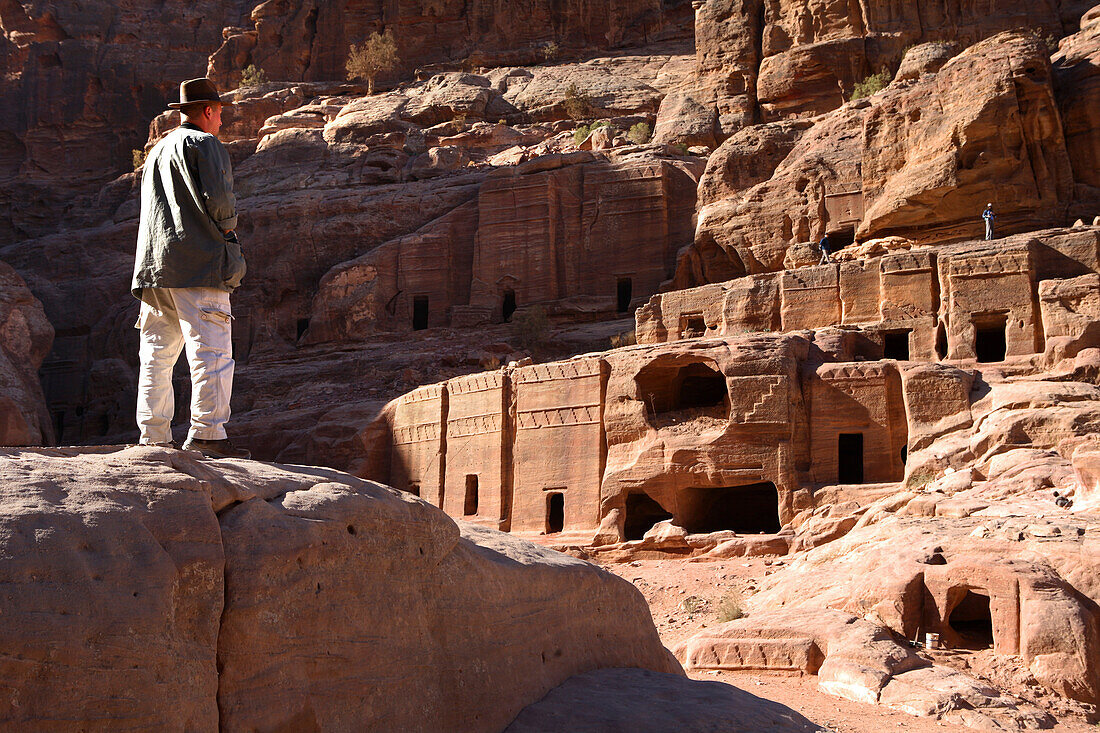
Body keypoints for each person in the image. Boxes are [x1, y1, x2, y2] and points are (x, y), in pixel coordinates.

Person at [131, 78, 249, 459]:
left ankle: (154, 439)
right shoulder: (205, 144)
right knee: (211, 352)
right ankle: (207, 436)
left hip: (154, 269)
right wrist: (229, 226)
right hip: (198, 264)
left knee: (156, 356)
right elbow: (220, 202)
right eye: (220, 115)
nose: (221, 124)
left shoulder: (157, 150)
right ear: (209, 111)